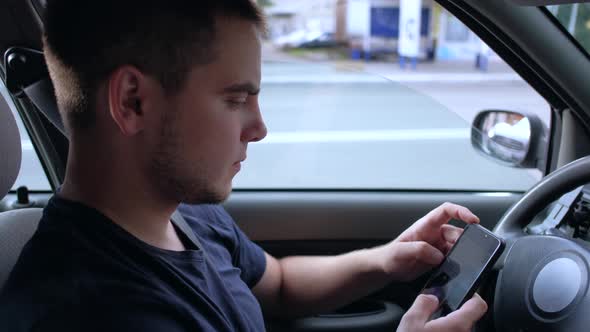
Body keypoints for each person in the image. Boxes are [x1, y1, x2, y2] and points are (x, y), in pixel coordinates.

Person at [0, 1, 487, 331]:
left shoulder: (181, 211)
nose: (259, 127)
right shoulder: (89, 311)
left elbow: (275, 282)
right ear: (133, 102)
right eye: (236, 99)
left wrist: (386, 259)